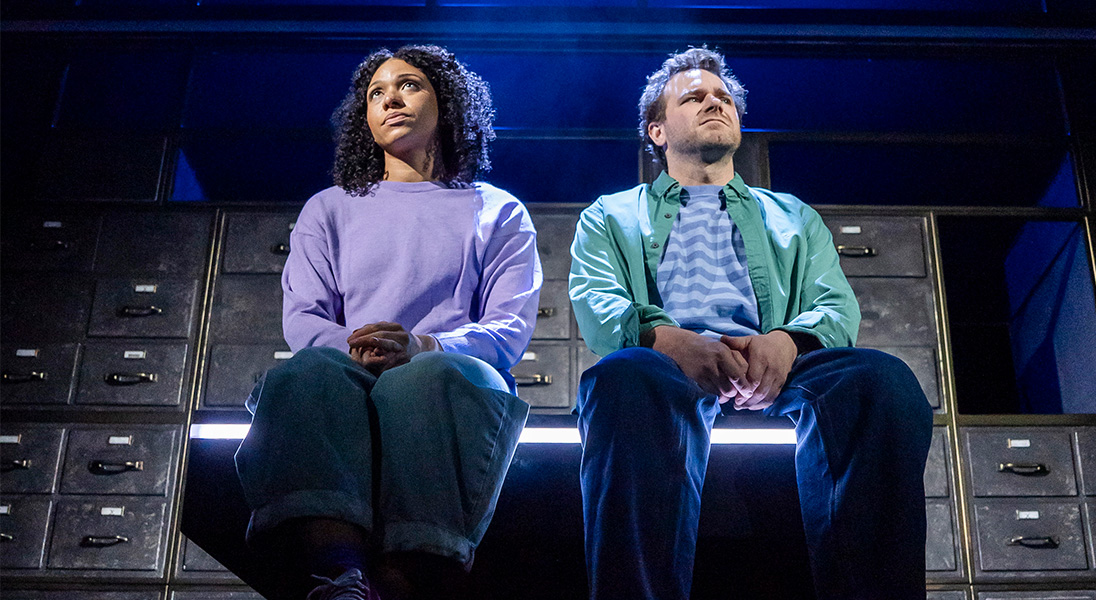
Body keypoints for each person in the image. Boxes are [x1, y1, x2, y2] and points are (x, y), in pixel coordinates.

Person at [569, 47, 933, 600]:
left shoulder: (792, 213)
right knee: (621, 378)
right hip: (664, 365)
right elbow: (598, 298)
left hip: (779, 367)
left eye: (724, 98)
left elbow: (836, 306)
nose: (715, 103)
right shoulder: (609, 214)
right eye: (693, 97)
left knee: (882, 381)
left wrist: (787, 342)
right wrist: (670, 340)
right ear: (658, 130)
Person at [234, 45, 542, 600]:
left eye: (409, 85)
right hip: (350, 368)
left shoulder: (497, 210)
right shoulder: (328, 208)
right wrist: (363, 348)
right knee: (304, 375)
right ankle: (338, 577)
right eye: (376, 92)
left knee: (422, 379)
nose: (390, 99)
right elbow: (305, 319)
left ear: (446, 104)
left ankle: (406, 582)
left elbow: (507, 329)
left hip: (447, 373)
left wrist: (423, 345)